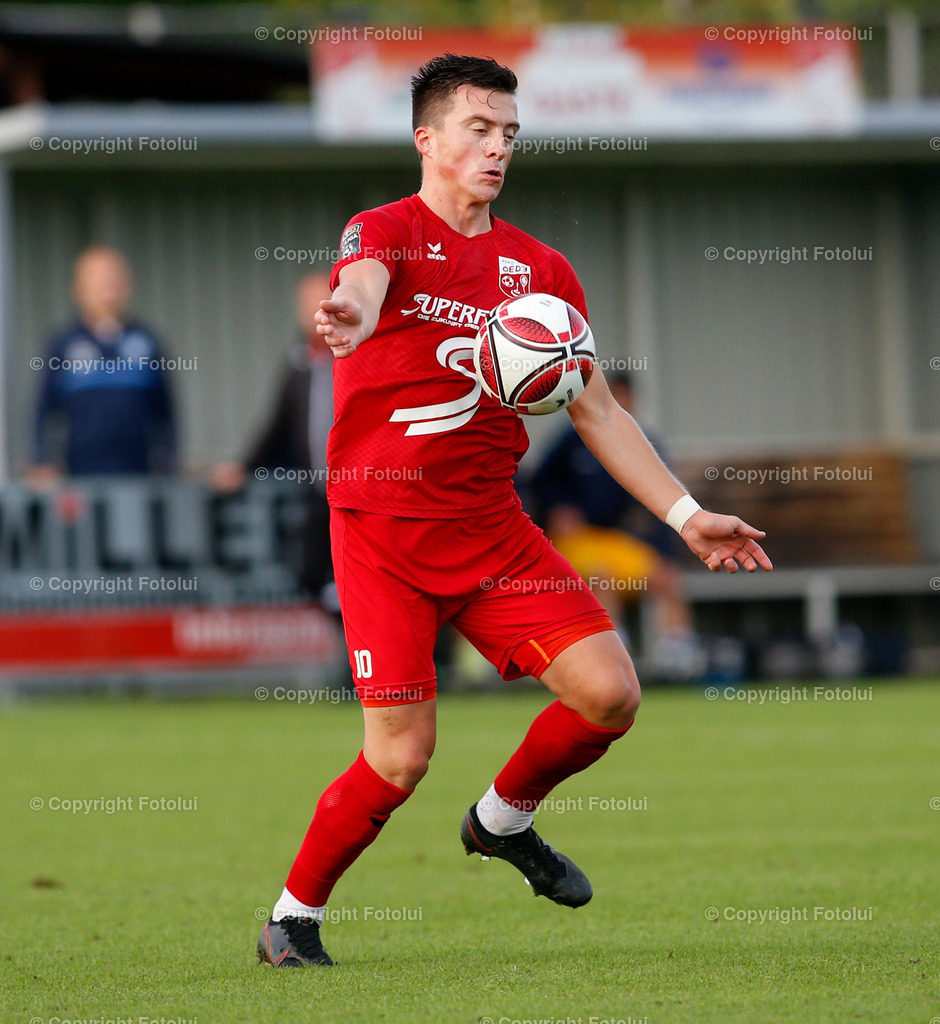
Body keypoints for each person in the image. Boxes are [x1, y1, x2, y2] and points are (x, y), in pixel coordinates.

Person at [256, 53, 771, 968]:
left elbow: (597, 411)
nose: (498, 149)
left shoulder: (540, 270)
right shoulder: (382, 233)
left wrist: (687, 514)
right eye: (478, 130)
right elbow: (364, 283)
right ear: (428, 139)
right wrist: (350, 311)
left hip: (492, 526)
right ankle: (292, 919)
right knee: (401, 758)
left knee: (610, 694)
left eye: (509, 135)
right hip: (381, 533)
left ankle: (499, 823)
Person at [531, 372, 705, 677]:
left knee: (666, 578)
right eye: (616, 397)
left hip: (614, 539)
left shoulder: (643, 445)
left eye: (627, 399)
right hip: (578, 539)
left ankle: (678, 657)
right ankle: (612, 653)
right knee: (603, 577)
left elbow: (661, 505)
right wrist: (558, 508)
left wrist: (665, 553)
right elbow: (540, 482)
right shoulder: (571, 439)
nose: (622, 404)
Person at [211, 273, 337, 608]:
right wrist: (243, 466)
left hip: (365, 490)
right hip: (318, 493)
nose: (313, 310)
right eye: (305, 304)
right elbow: (277, 426)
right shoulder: (298, 361)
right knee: (314, 572)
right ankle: (348, 652)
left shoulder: (361, 353)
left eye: (320, 300)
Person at [31, 246, 176, 482]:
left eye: (114, 277)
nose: (108, 284)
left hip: (138, 476)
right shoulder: (64, 343)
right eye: (98, 278)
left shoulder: (146, 341)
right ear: (78, 289)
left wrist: (167, 462)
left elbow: (166, 412)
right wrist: (42, 461)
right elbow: (42, 410)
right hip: (79, 475)